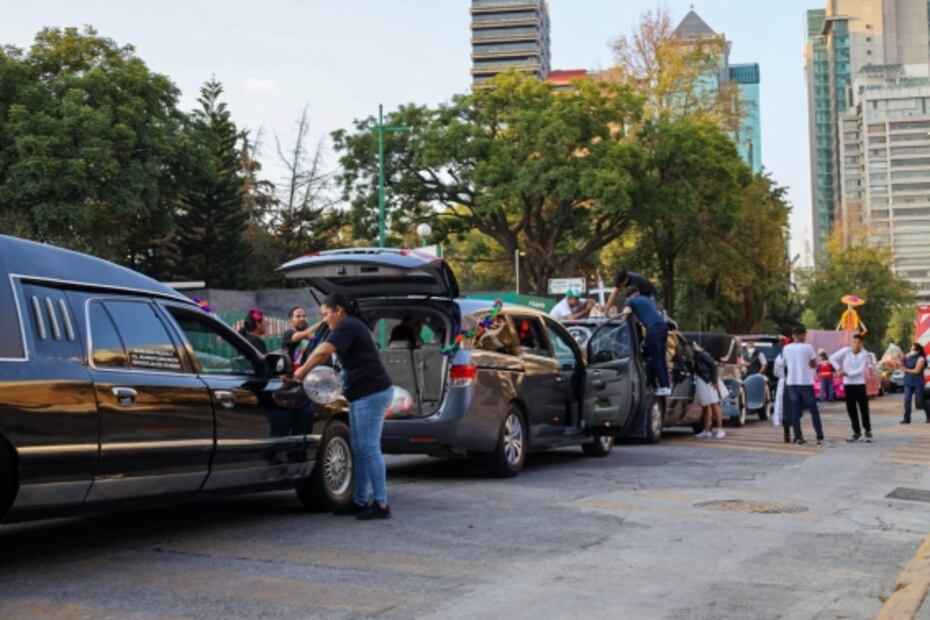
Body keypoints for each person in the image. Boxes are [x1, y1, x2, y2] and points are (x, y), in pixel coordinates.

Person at [294, 292, 394, 520]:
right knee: (359, 449)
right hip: (361, 394)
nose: (325, 320)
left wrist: (302, 372)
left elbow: (322, 351)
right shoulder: (350, 325)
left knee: (369, 449)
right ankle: (360, 501)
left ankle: (381, 503)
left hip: (372, 393)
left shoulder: (348, 325)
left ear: (339, 310)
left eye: (326, 314)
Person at [620, 285, 670, 397]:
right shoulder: (647, 299)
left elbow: (623, 316)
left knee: (655, 358)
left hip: (653, 329)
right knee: (661, 359)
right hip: (663, 327)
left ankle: (661, 385)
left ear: (629, 296)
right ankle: (666, 386)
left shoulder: (631, 301)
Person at [783, 326, 825, 446]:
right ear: (800, 335)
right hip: (805, 382)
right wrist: (814, 362)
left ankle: (798, 437)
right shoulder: (808, 347)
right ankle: (819, 437)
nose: (805, 338)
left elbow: (785, 363)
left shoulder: (786, 348)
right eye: (804, 335)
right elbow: (812, 364)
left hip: (792, 382)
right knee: (813, 410)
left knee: (795, 411)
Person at [830, 334, 875, 442]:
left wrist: (847, 373)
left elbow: (860, 370)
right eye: (854, 342)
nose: (856, 344)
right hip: (848, 384)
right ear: (851, 342)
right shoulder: (846, 351)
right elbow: (832, 358)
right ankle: (856, 432)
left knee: (864, 408)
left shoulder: (864, 354)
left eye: (858, 342)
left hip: (859, 384)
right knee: (851, 409)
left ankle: (867, 430)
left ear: (862, 344)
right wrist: (838, 369)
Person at [692, 343, 725, 439]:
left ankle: (720, 429)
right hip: (704, 381)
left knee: (714, 404)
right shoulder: (696, 355)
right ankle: (707, 430)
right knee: (706, 406)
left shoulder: (702, 354)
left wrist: (714, 381)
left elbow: (713, 365)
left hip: (709, 381)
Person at [901, 342, 929, 424]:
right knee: (907, 400)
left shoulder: (921, 359)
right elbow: (902, 363)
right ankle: (907, 419)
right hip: (908, 382)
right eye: (911, 348)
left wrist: (905, 369)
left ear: (918, 350)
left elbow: (917, 371)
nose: (912, 350)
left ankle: (929, 415)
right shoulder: (908, 357)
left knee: (920, 400)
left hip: (918, 382)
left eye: (914, 349)